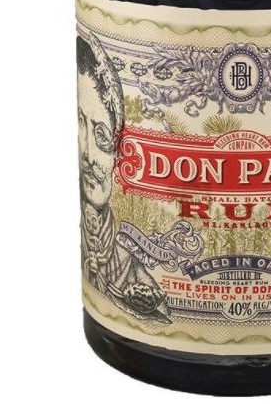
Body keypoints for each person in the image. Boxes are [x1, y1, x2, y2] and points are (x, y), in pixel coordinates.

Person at [77, 33, 170, 323]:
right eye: (81, 123)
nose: (88, 154)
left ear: (120, 150)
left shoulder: (135, 270)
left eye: (102, 135)